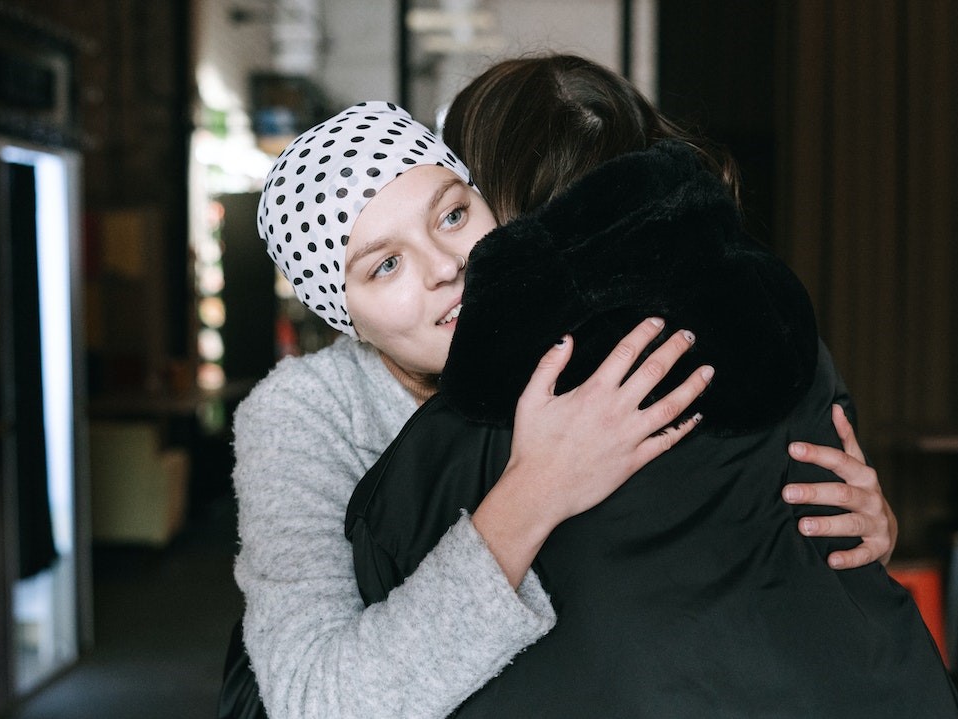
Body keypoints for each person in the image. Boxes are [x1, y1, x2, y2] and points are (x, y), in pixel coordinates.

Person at [230, 90, 895, 719]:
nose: (441, 265)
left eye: (452, 215)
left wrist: (846, 534)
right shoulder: (302, 416)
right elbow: (317, 700)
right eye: (385, 266)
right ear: (345, 318)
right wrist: (534, 491)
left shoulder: (567, 338)